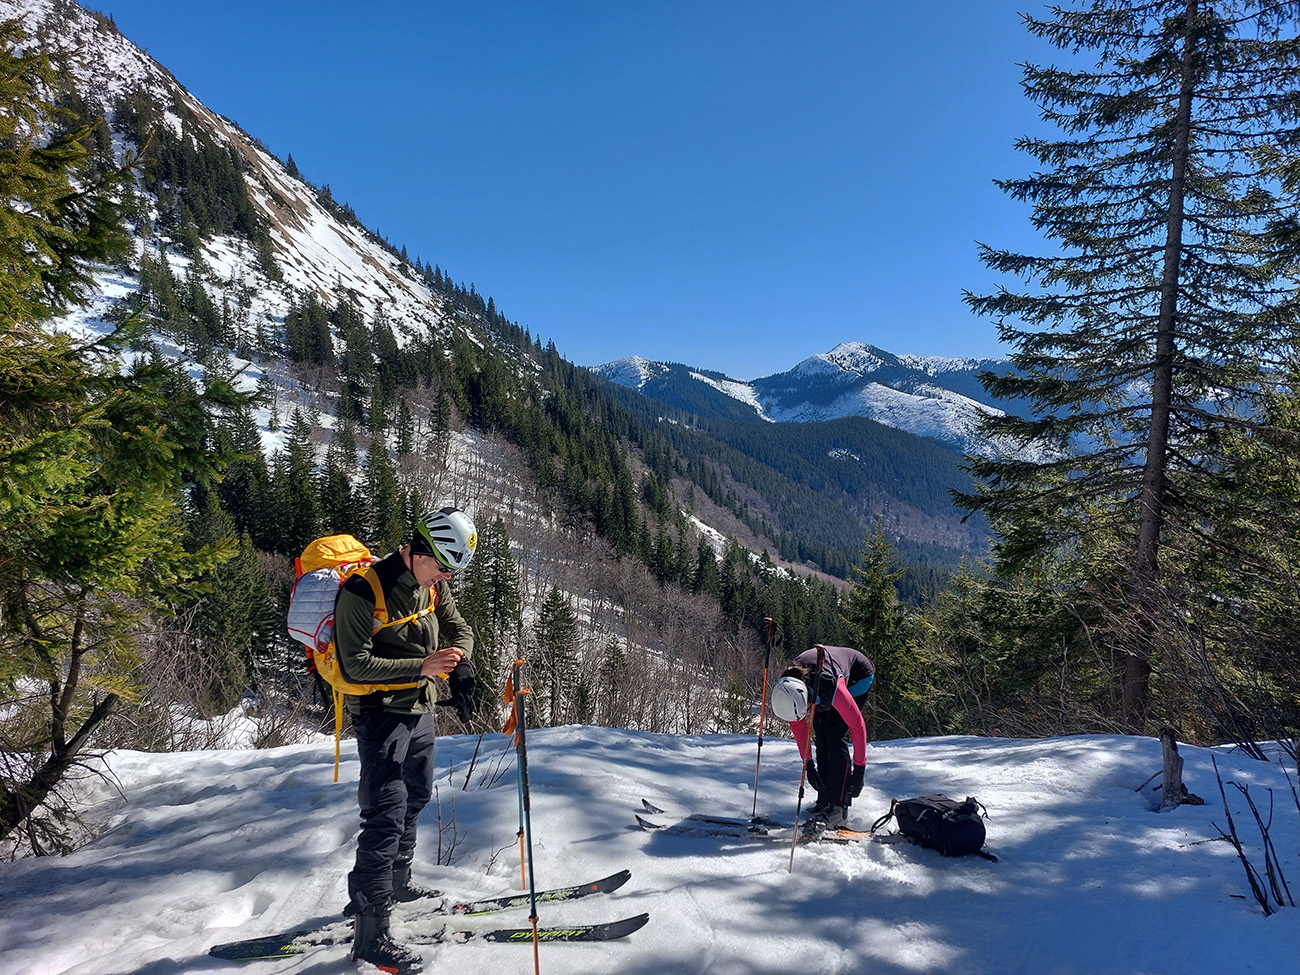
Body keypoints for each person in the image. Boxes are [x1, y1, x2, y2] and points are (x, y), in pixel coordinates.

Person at [335, 507, 478, 975]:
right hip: (380, 716)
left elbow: (459, 628)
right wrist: (421, 666)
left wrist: (462, 663)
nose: (446, 578)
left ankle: (397, 883)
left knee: (415, 795)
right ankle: (371, 931)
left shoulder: (433, 584)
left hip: (420, 709)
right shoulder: (363, 591)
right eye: (442, 567)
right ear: (418, 550)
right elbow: (354, 664)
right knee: (385, 814)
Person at [770, 644, 874, 829]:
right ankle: (825, 797)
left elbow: (857, 727)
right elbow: (800, 729)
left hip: (858, 676)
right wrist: (808, 765)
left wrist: (859, 771)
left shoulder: (829, 686)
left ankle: (837, 805)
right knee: (820, 730)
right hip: (819, 679)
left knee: (833, 732)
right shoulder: (787, 689)